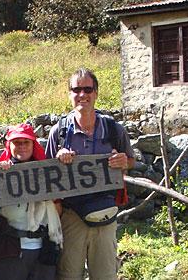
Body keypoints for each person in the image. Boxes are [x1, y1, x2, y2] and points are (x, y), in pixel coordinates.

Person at [45, 69, 134, 280]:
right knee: (69, 275)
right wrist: (58, 158)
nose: (82, 94)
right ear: (69, 94)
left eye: (88, 89)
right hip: (71, 215)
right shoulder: (58, 132)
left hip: (105, 213)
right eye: (76, 89)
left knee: (105, 275)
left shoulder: (114, 129)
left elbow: (130, 161)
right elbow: (45, 174)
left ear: (96, 93)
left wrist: (123, 162)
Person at [0, 123, 63, 280]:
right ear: (9, 145)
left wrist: (46, 194)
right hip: (8, 251)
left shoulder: (47, 174)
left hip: (42, 250)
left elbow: (58, 210)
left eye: (26, 142)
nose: (22, 147)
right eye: (17, 142)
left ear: (33, 144)